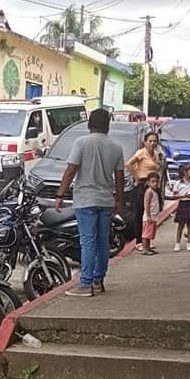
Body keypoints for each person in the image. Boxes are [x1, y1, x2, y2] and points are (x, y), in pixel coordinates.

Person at [54, 108, 125, 297]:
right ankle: (98, 280)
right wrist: (119, 199)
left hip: (85, 199)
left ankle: (85, 284)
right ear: (108, 126)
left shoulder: (82, 143)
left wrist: (60, 195)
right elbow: (119, 178)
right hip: (106, 200)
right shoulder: (116, 147)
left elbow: (70, 170)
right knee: (103, 241)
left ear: (89, 124)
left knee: (88, 242)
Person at [126, 130, 163, 247]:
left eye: (155, 141)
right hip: (142, 184)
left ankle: (147, 239)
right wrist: (136, 177)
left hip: (153, 185)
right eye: (150, 141)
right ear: (145, 142)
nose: (152, 143)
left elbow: (157, 168)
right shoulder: (141, 153)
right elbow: (129, 164)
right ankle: (139, 241)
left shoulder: (156, 154)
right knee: (140, 213)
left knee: (151, 212)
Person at [168, 164, 190, 251]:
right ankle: (177, 243)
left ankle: (189, 242)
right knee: (180, 225)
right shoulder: (178, 183)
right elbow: (174, 195)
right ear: (185, 172)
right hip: (183, 203)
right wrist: (183, 195)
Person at [141, 171, 161, 255]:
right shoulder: (149, 192)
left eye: (156, 182)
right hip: (149, 217)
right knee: (146, 234)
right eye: (153, 182)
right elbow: (147, 204)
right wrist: (148, 216)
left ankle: (148, 247)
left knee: (150, 234)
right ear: (148, 183)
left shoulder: (155, 192)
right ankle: (145, 249)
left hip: (153, 216)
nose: (155, 184)